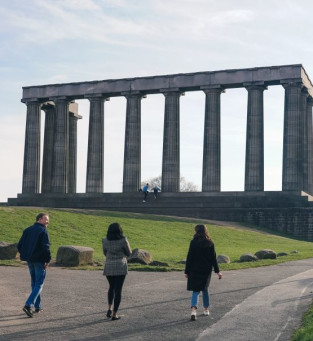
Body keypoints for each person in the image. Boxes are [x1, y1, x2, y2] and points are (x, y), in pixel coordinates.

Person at [184, 224, 222, 321]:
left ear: (197, 231)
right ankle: (206, 309)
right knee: (205, 289)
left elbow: (189, 257)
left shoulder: (193, 242)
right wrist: (217, 272)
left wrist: (186, 271)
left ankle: (193, 310)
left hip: (194, 269)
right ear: (206, 231)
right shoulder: (210, 243)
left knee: (195, 291)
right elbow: (213, 258)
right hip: (205, 270)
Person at [17, 213, 51, 318]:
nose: (47, 222)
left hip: (30, 260)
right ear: (39, 219)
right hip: (39, 261)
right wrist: (47, 260)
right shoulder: (43, 230)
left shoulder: (27, 230)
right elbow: (46, 247)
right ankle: (28, 305)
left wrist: (26, 255)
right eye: (46, 219)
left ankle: (37, 306)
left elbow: (19, 245)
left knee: (34, 283)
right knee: (39, 284)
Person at [102, 222, 132, 320]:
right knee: (118, 290)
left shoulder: (105, 240)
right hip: (120, 266)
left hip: (109, 266)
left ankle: (109, 308)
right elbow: (129, 252)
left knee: (111, 287)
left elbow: (105, 253)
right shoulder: (123, 240)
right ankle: (115, 314)